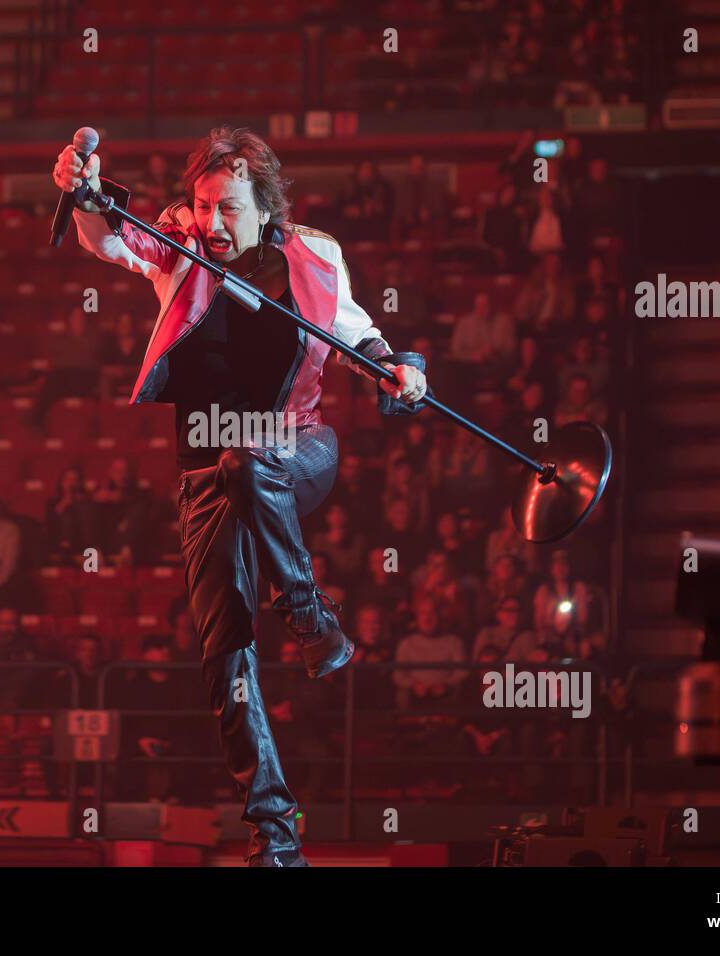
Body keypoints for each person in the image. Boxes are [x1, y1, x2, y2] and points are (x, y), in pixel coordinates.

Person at [54, 125, 428, 867]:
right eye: (201, 205)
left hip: (300, 449)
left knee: (249, 455)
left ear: (265, 206)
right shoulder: (178, 246)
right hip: (206, 479)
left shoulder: (314, 256)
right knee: (223, 658)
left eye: (227, 208)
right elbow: (107, 242)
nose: (211, 224)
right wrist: (83, 190)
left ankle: (308, 611)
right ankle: (277, 836)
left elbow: (360, 332)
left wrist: (402, 369)